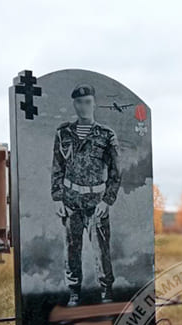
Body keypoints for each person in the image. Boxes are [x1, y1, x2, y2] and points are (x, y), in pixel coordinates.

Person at [51, 83, 121, 307]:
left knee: (101, 250)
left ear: (94, 103)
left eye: (88, 102)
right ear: (74, 104)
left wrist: (107, 201)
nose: (83, 106)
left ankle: (106, 291)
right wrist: (58, 197)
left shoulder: (106, 135)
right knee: (72, 249)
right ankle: (74, 292)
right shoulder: (63, 133)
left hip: (96, 202)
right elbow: (57, 167)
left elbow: (116, 172)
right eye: (79, 102)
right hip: (71, 201)